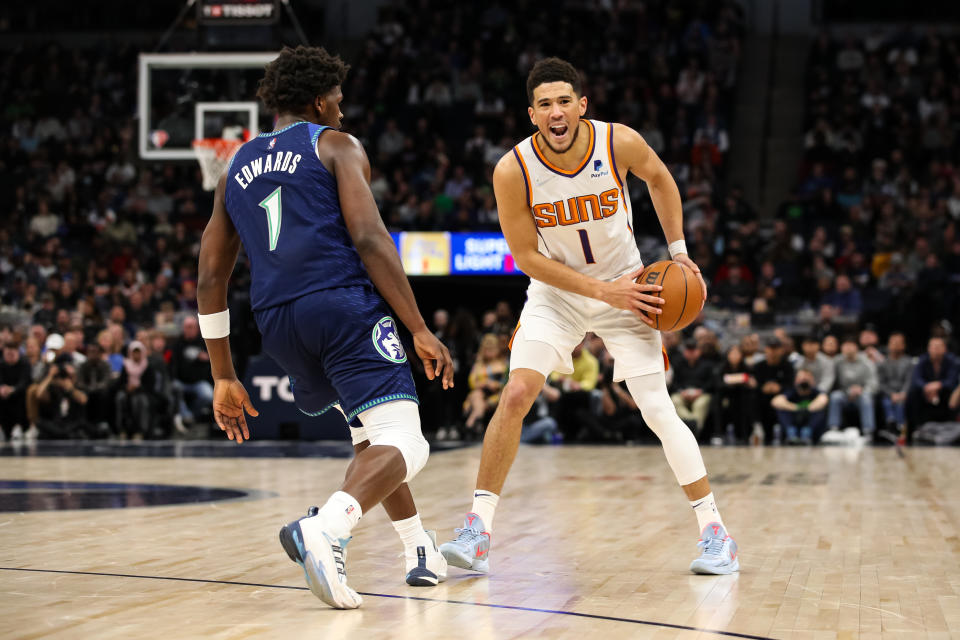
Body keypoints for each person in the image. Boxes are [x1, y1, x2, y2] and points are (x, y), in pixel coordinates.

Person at [439, 57, 737, 576]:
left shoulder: (617, 140)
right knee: (514, 393)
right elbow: (528, 258)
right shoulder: (512, 170)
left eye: (564, 102)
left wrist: (679, 250)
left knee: (656, 408)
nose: (556, 113)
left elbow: (662, 180)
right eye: (545, 105)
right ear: (532, 114)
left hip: (633, 286)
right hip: (559, 292)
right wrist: (604, 292)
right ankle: (477, 530)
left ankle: (715, 532)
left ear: (582, 105)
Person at [196, 46, 454, 609]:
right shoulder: (334, 144)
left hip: (277, 322)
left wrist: (223, 375)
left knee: (370, 435)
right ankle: (327, 528)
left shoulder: (233, 167)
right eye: (337, 100)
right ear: (318, 101)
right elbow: (370, 239)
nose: (342, 110)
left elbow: (211, 277)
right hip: (340, 305)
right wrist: (418, 327)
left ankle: (419, 549)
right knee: (406, 440)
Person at [827, 337, 877, 439]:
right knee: (835, 396)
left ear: (857, 347)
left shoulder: (866, 362)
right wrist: (848, 391)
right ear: (841, 348)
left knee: (866, 398)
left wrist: (862, 390)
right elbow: (831, 381)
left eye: (851, 345)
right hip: (844, 395)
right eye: (846, 346)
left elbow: (873, 383)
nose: (848, 348)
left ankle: (868, 431)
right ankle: (833, 429)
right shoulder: (836, 362)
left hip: (861, 395)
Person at [909, 336, 959, 427]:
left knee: (953, 392)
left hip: (944, 391)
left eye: (938, 346)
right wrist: (926, 387)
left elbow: (952, 380)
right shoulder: (922, 360)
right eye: (933, 346)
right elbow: (916, 379)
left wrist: (938, 385)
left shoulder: (952, 361)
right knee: (913, 392)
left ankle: (952, 426)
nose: (935, 349)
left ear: (945, 348)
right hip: (926, 393)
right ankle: (917, 427)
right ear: (928, 348)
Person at [771, 369, 828, 444]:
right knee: (782, 410)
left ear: (812, 381)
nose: (803, 381)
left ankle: (807, 434)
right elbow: (775, 401)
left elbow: (823, 400)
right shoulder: (791, 392)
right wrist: (796, 408)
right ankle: (791, 433)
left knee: (820, 410)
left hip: (810, 423)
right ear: (795, 381)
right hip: (793, 422)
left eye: (806, 379)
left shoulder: (816, 392)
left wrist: (807, 409)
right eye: (801, 379)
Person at [876, 332, 912, 439]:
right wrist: (891, 394)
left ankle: (901, 428)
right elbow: (881, 383)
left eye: (898, 343)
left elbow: (909, 381)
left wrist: (903, 393)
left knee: (901, 404)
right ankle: (890, 425)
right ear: (888, 345)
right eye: (893, 342)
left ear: (903, 345)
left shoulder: (909, 362)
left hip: (903, 393)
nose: (895, 345)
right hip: (888, 394)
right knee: (886, 402)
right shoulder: (883, 363)